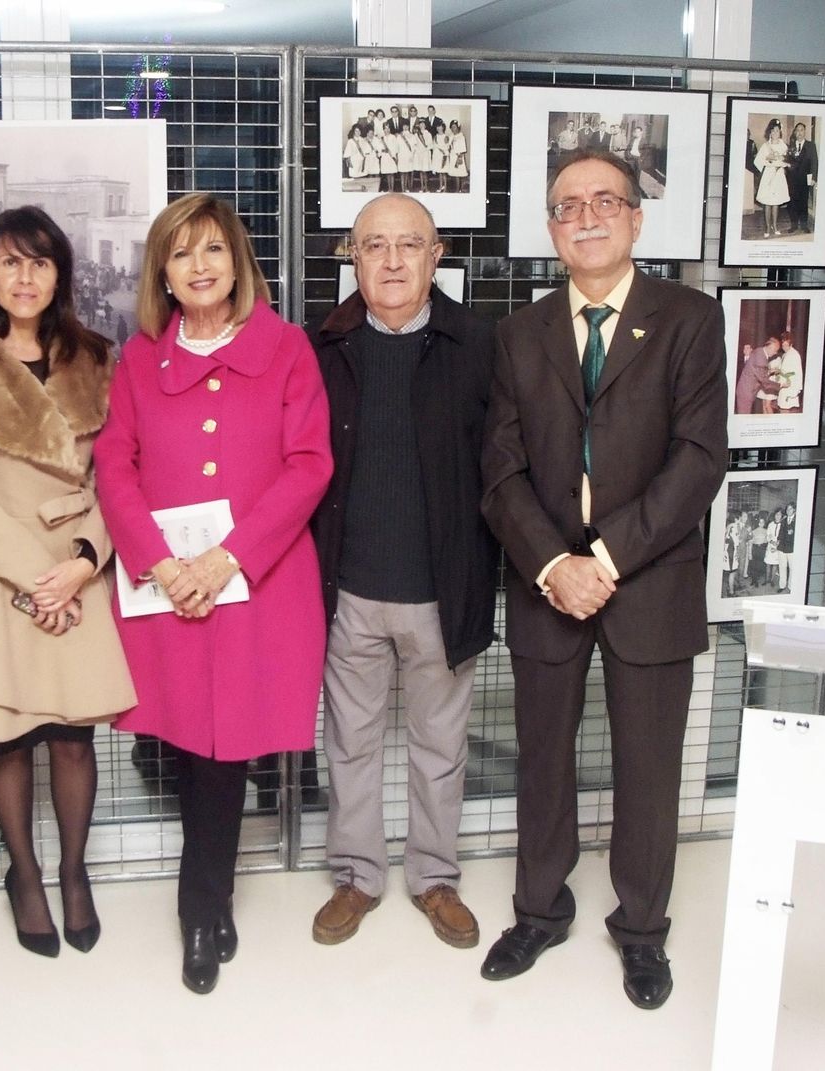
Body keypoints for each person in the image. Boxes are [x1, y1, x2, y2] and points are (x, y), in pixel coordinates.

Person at [478, 147, 728, 1009]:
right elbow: (500, 472)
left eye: (603, 201)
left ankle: (642, 930)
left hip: (649, 582)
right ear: (550, 228)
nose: (585, 216)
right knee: (541, 760)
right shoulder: (518, 332)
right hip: (547, 582)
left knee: (648, 768)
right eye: (566, 205)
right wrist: (554, 565)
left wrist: (608, 560)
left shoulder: (691, 319)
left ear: (634, 218)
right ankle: (539, 909)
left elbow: (699, 460)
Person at [95, 193, 331, 995]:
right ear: (163, 270)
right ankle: (205, 902)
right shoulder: (139, 359)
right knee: (192, 743)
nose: (199, 267)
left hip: (253, 585)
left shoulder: (288, 349)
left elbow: (309, 464)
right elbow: (114, 467)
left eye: (213, 251)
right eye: (182, 253)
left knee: (230, 747)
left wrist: (227, 559)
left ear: (238, 263)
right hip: (170, 589)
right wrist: (161, 563)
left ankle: (205, 905)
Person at [0, 206, 137, 959]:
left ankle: (74, 872)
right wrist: (36, 578)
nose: (24, 277)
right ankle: (26, 874)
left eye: (40, 263)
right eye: (10, 262)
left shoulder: (97, 358)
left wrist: (82, 562)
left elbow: (120, 479)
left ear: (59, 275)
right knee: (7, 738)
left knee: (75, 739)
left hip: (78, 562)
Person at [308, 193, 497, 951]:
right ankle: (358, 873)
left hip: (441, 589)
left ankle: (435, 876)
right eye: (374, 245)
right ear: (352, 256)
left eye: (408, 245)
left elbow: (502, 466)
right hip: (348, 587)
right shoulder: (320, 347)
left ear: (437, 254)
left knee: (440, 746)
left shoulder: (479, 345)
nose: (391, 260)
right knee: (348, 742)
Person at [754, 119, 790, 237]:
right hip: (769, 175)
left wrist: (783, 162)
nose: (775, 133)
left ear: (780, 132)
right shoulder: (766, 146)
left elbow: (787, 160)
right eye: (773, 130)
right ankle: (767, 228)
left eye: (777, 130)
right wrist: (768, 159)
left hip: (778, 175)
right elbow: (757, 161)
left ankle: (775, 226)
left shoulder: (783, 146)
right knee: (768, 202)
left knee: (776, 202)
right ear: (770, 132)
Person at [786, 122, 818, 233]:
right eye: (797, 130)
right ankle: (793, 225)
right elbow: (787, 162)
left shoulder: (810, 145)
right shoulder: (791, 146)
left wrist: (814, 177)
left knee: (804, 202)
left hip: (806, 178)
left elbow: (815, 162)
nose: (799, 133)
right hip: (793, 180)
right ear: (795, 132)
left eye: (801, 130)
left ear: (805, 132)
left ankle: (804, 225)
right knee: (793, 202)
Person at [776, 332, 804, 412]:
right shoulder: (785, 354)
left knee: (786, 410)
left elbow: (798, 373)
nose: (784, 347)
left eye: (786, 345)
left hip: (789, 386)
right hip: (783, 386)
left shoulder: (795, 354)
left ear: (791, 344)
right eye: (783, 345)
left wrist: (795, 389)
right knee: (781, 408)